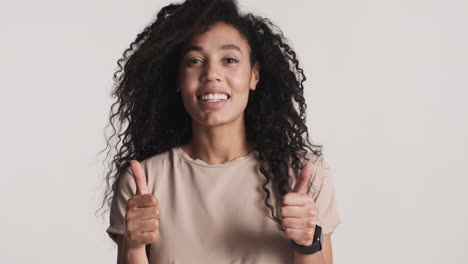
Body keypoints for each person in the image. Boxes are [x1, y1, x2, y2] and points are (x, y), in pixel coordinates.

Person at [99, 0, 342, 263]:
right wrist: (134, 248)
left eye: (229, 60)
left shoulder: (301, 176)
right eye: (195, 60)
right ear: (178, 80)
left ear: (254, 76)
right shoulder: (142, 183)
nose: (211, 73)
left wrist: (306, 242)